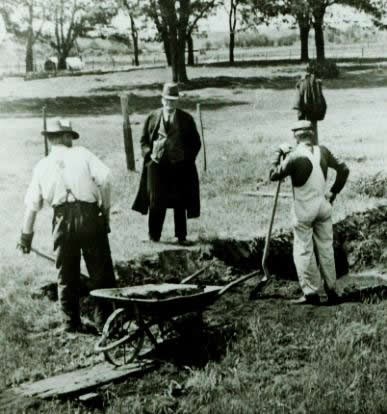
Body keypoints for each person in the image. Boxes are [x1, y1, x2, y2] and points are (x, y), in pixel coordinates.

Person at [17, 118, 116, 332]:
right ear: (63, 137)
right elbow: (106, 179)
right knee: (101, 273)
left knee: (66, 274)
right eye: (69, 135)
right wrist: (105, 212)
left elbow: (32, 206)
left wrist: (25, 237)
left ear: (50, 139)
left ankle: (71, 324)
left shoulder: (42, 165)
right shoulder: (82, 153)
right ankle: (106, 324)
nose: (71, 139)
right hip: (90, 218)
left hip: (61, 221)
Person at [269, 120, 349, 305]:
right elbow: (344, 169)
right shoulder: (324, 151)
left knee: (303, 249)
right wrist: (333, 192)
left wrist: (278, 152)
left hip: (304, 209)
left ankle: (311, 293)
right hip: (323, 206)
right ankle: (331, 290)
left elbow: (273, 174)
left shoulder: (294, 156)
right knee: (326, 248)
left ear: (296, 136)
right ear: (311, 135)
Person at [132, 83, 201, 244]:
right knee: (156, 200)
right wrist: (149, 153)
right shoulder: (152, 117)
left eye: (173, 100)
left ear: (177, 101)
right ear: (162, 100)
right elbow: (143, 141)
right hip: (157, 167)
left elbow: (196, 143)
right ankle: (154, 236)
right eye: (167, 100)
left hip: (179, 166)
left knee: (180, 200)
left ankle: (181, 237)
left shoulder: (186, 119)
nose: (170, 104)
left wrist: (186, 158)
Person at [293, 63, 327, 145]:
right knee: (313, 131)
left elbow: (298, 101)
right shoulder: (316, 83)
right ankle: (314, 146)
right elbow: (321, 101)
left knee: (302, 131)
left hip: (304, 112)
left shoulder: (301, 82)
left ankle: (302, 146)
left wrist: (300, 114)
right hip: (314, 112)